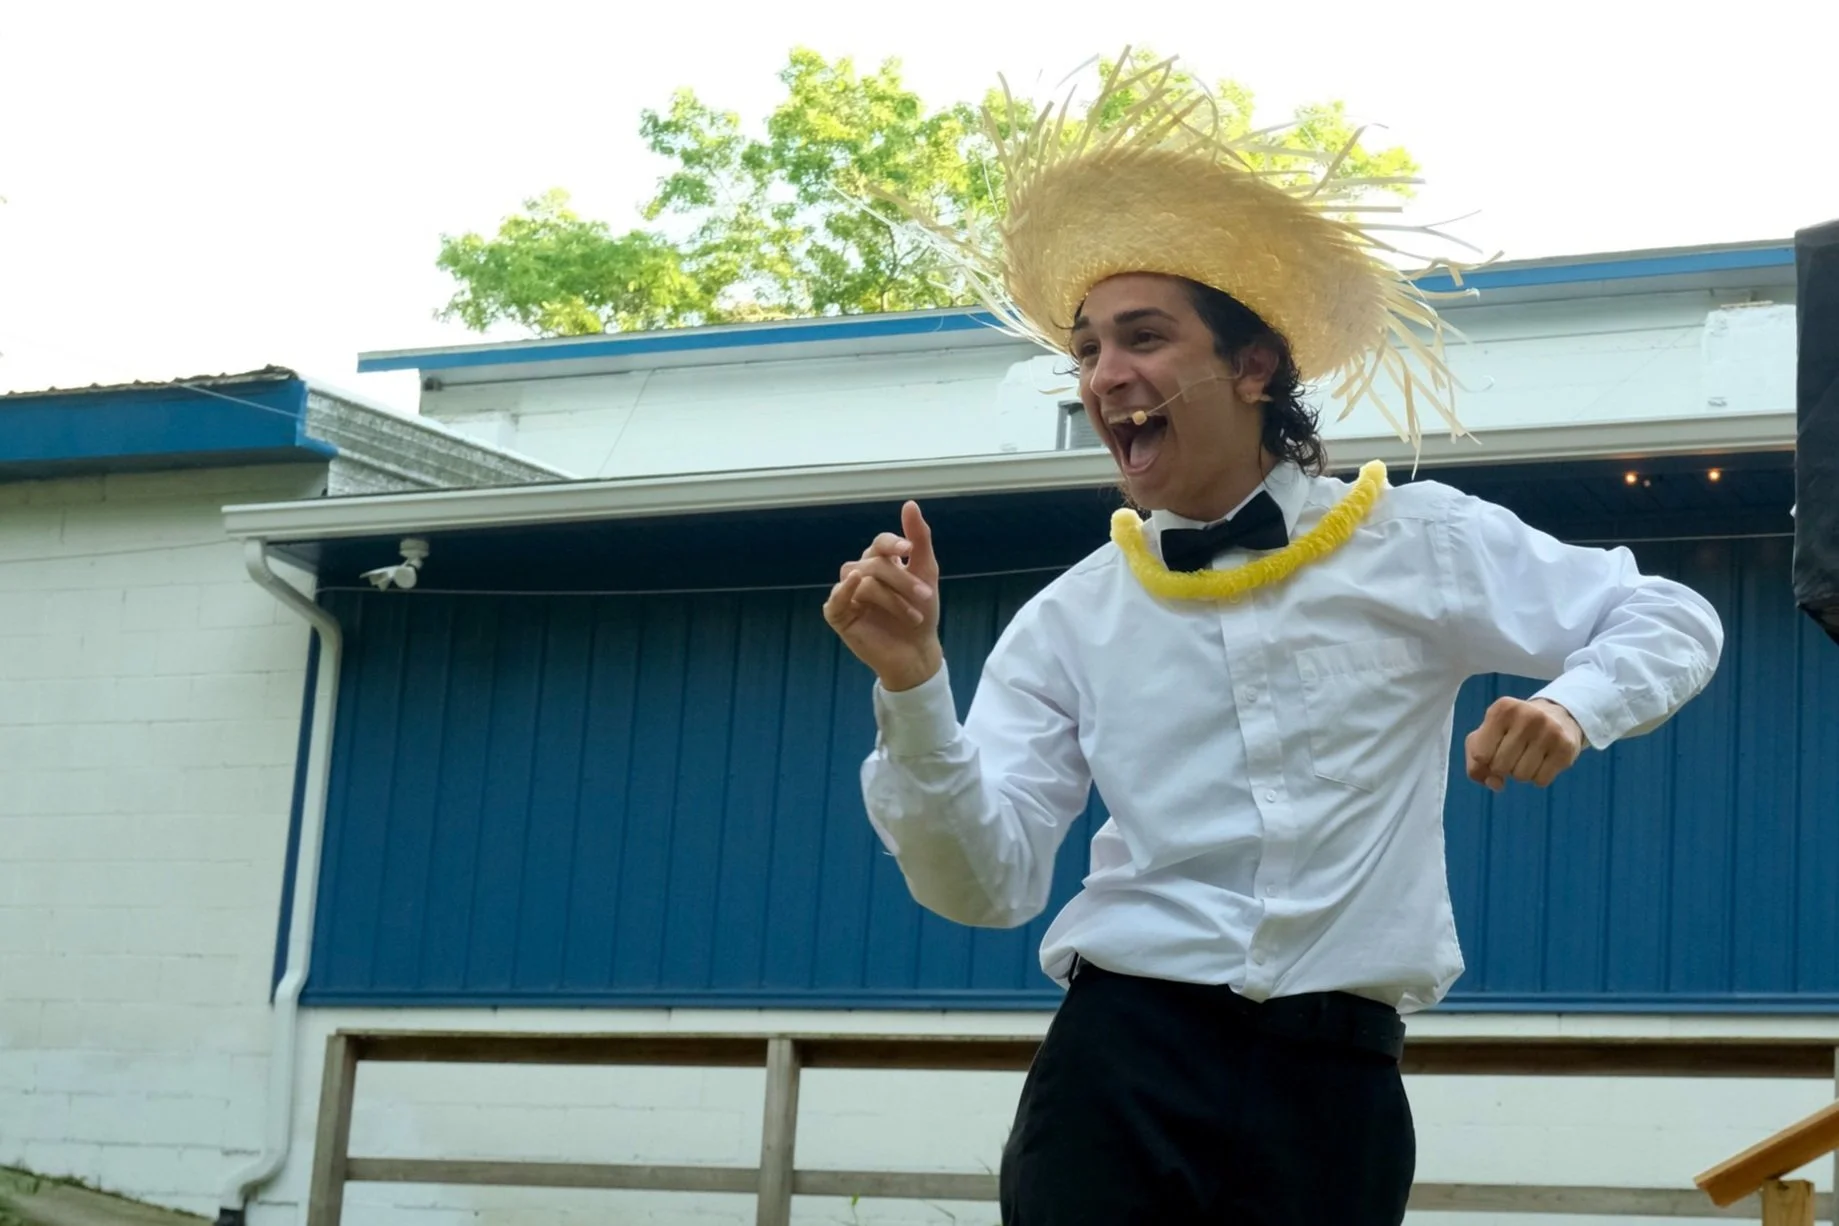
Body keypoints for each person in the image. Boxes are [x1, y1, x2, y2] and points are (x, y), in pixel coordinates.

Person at [821, 54, 1724, 1226]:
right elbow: (984, 883)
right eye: (1088, 347)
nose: (1106, 375)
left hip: (1333, 1085)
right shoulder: (1071, 616)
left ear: (1252, 366)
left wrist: (1574, 702)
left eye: (1142, 337)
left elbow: (1668, 612)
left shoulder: (1418, 540)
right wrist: (913, 685)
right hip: (1119, 1072)